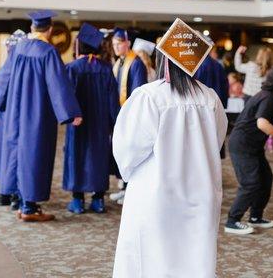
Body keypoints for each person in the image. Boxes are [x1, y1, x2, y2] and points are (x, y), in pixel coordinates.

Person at [112, 21, 228, 278]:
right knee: (194, 258)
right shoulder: (210, 98)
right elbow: (216, 140)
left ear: (163, 60)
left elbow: (128, 147)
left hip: (156, 192)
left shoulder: (150, 97)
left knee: (152, 259)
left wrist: (129, 173)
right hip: (201, 191)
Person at [0, 11, 82, 222]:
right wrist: (71, 113)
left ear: (32, 28)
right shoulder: (48, 52)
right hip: (37, 112)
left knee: (17, 152)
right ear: (49, 30)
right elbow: (57, 84)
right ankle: (29, 207)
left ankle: (20, 199)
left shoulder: (18, 48)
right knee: (34, 154)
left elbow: (4, 76)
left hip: (16, 110)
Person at [224, 66, 273, 235]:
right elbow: (262, 124)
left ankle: (255, 217)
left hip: (251, 145)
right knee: (250, 183)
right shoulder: (268, 97)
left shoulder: (267, 95)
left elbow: (267, 118)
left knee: (265, 179)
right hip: (243, 145)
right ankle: (232, 221)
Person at [64, 24, 120, 214]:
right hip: (100, 124)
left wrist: (69, 117)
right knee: (98, 158)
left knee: (76, 157)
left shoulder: (72, 68)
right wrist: (115, 123)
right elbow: (113, 99)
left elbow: (67, 96)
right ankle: (98, 200)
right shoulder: (106, 69)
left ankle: (77, 200)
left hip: (78, 123)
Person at [110, 28, 148, 204]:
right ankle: (124, 187)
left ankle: (129, 190)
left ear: (128, 43)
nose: (116, 47)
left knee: (131, 152)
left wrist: (131, 115)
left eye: (119, 44)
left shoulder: (136, 63)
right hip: (119, 114)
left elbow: (138, 91)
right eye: (114, 44)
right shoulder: (120, 62)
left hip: (130, 116)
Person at [0, 30, 27, 209]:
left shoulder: (7, 66)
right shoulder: (22, 65)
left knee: (6, 155)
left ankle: (5, 193)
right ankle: (15, 194)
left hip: (6, 119)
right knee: (17, 156)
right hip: (21, 118)